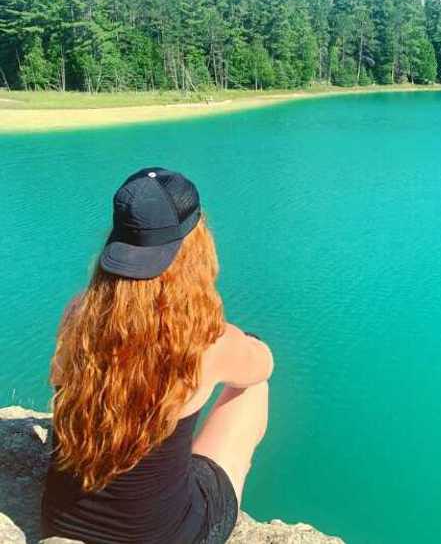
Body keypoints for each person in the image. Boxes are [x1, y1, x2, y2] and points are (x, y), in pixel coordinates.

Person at [41, 167, 274, 544]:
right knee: (254, 387)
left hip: (60, 523)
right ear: (196, 244)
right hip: (166, 535)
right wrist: (247, 341)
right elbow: (263, 364)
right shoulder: (206, 339)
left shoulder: (78, 314)